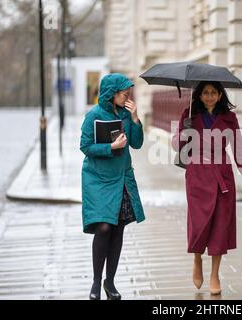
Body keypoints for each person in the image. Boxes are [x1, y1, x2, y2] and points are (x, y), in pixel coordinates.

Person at [172, 81, 242, 295]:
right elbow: (176, 145)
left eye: (213, 93)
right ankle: (196, 259)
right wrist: (186, 131)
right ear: (199, 96)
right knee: (199, 224)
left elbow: (239, 150)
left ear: (220, 95)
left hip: (222, 178)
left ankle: (214, 274)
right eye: (205, 93)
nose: (209, 96)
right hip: (197, 177)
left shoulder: (229, 118)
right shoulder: (189, 114)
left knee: (220, 227)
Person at [80, 73, 145, 300]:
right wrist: (110, 147)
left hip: (121, 178)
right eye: (122, 92)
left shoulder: (127, 114)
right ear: (111, 94)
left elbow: (136, 144)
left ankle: (110, 282)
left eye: (127, 92)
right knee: (104, 227)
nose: (126, 95)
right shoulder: (94, 115)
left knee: (118, 229)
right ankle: (96, 283)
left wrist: (136, 119)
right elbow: (85, 146)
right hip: (97, 179)